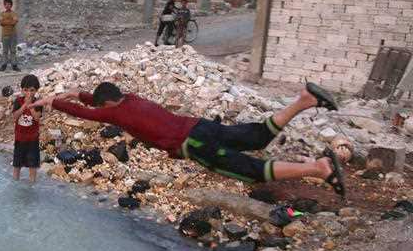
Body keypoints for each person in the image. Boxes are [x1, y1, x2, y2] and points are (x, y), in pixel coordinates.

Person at [25, 82, 346, 195]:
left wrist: (54, 101)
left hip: (194, 145)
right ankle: (305, 100)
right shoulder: (131, 99)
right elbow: (98, 101)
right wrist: (78, 93)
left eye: (101, 105)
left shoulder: (115, 114)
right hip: (200, 126)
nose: (101, 109)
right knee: (257, 135)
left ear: (107, 105)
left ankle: (319, 169)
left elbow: (89, 113)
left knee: (251, 170)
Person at [10, 74, 43, 183]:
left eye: (32, 90)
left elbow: (37, 118)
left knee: (32, 165)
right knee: (17, 164)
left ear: (36, 90)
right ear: (22, 90)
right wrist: (24, 105)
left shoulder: (38, 102)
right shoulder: (18, 101)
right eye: (26, 90)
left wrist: (30, 106)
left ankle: (32, 185)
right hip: (20, 138)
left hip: (33, 139)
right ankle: (15, 184)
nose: (29, 93)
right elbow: (15, 116)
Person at [0, 0, 20, 72]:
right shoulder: (2, 13)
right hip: (5, 35)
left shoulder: (14, 13)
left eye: (9, 4)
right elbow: (1, 22)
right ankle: (4, 64)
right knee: (5, 51)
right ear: (4, 5)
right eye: (6, 4)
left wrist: (5, 21)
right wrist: (10, 21)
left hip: (13, 35)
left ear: (11, 5)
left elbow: (15, 22)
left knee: (13, 50)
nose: (7, 5)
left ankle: (14, 65)